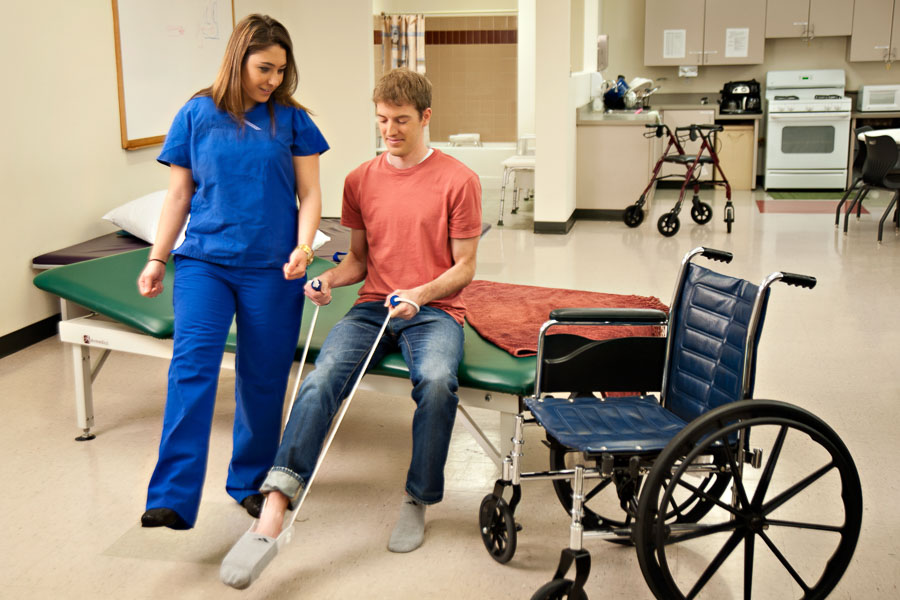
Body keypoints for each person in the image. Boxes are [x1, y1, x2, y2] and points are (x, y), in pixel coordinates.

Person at [220, 68, 482, 589]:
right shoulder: (361, 179)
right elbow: (358, 261)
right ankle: (275, 508)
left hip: (435, 311)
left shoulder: (459, 180)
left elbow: (466, 267)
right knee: (319, 380)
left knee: (435, 382)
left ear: (426, 117)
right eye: (382, 120)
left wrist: (420, 293)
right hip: (371, 305)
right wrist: (327, 279)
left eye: (402, 120)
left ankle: (419, 497)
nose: (390, 130)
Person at [136, 14, 328, 531]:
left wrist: (304, 248)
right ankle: (173, 496)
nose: (273, 80)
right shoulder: (196, 114)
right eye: (264, 68)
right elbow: (179, 194)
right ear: (238, 58)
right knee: (191, 369)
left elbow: (309, 195)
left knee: (263, 378)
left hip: (272, 267)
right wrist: (157, 257)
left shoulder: (292, 120)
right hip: (205, 263)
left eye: (281, 71)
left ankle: (251, 482)